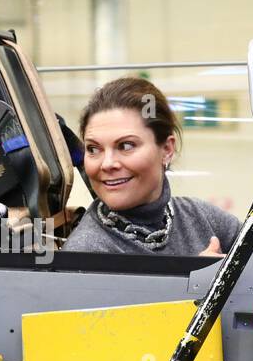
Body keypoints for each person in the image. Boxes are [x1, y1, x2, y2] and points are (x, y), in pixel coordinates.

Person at [61, 77, 241, 257]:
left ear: (167, 149)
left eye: (126, 146)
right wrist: (199, 282)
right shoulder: (87, 252)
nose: (107, 163)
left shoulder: (202, 217)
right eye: (93, 149)